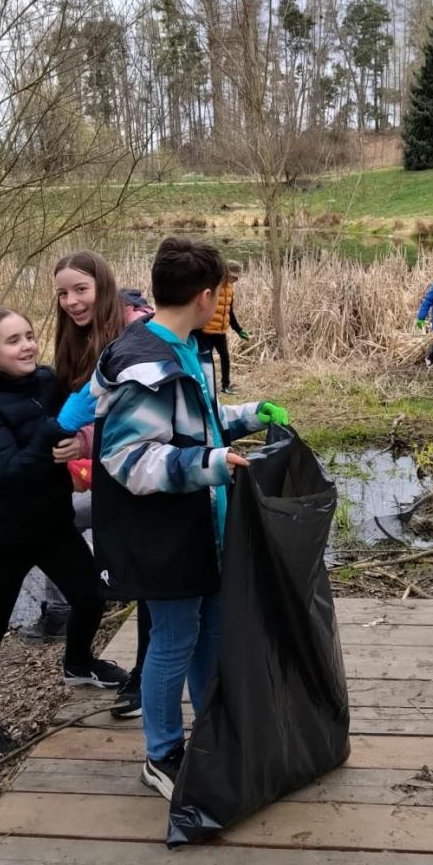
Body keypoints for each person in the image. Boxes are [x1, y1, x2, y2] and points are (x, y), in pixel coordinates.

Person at [89, 237, 289, 798]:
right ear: (206, 296)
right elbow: (128, 460)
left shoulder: (180, 347)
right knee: (173, 640)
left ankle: (215, 728)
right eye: (221, 292)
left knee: (212, 632)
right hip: (164, 535)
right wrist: (211, 463)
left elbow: (193, 421)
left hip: (203, 527)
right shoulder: (143, 364)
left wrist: (248, 416)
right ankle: (162, 754)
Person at [0, 307, 127, 757]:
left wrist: (78, 440)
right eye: (13, 341)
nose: (27, 345)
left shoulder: (44, 382)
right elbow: (9, 471)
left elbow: (74, 426)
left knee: (90, 595)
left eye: (29, 335)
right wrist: (57, 431)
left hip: (50, 522)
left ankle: (78, 662)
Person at [46, 252, 154, 721]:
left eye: (80, 290)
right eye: (63, 293)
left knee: (152, 579)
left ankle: (147, 679)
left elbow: (134, 417)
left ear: (103, 286)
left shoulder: (137, 333)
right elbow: (79, 409)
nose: (71, 301)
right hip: (109, 478)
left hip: (148, 473)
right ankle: (70, 627)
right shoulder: (78, 338)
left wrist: (84, 439)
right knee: (109, 555)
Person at [195, 259, 249, 393]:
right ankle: (206, 386)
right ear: (225, 273)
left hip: (220, 331)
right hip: (206, 331)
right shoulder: (212, 286)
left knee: (225, 357)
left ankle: (226, 386)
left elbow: (229, 312)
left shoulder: (230, 289)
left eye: (237, 277)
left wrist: (239, 330)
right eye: (234, 276)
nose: (236, 279)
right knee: (206, 360)